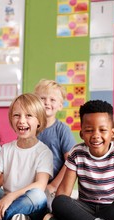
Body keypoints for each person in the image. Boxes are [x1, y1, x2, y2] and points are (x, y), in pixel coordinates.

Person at [34, 79, 76, 211]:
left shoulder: (62, 130)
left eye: (52, 100)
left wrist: (53, 186)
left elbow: (70, 162)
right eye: (42, 98)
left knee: (50, 207)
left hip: (53, 186)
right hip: (31, 183)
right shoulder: (30, 129)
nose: (47, 102)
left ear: (60, 105)